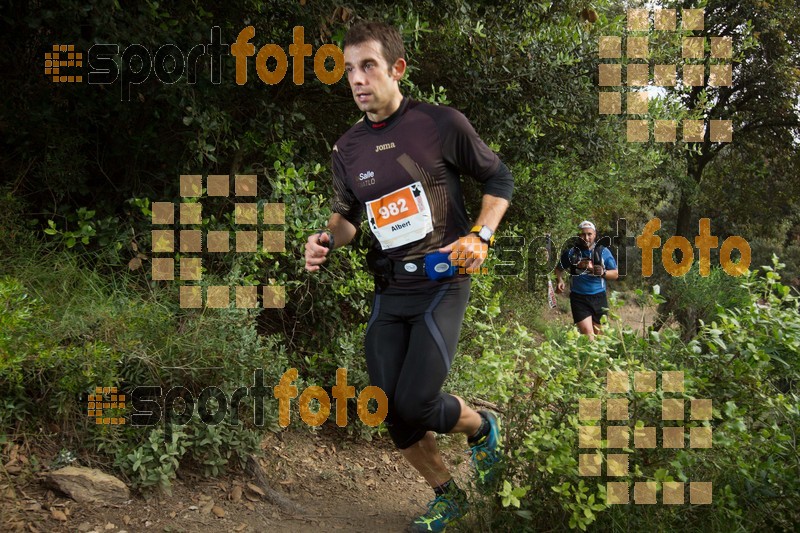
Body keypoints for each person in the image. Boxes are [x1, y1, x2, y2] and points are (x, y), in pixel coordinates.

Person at [303, 21, 514, 532]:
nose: (356, 79)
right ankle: (449, 495)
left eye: (368, 66)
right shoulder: (346, 150)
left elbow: (499, 177)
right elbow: (348, 217)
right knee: (388, 408)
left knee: (416, 401)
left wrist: (480, 236)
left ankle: (483, 427)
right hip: (390, 287)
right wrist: (325, 239)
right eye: (349, 69)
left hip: (443, 279)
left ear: (397, 69)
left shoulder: (439, 124)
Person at [555, 221, 619, 340]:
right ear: (578, 236)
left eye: (589, 234)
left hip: (599, 297)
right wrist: (559, 281)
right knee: (588, 336)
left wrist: (602, 273)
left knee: (600, 338)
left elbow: (615, 274)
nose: (586, 237)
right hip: (578, 298)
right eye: (583, 234)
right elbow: (558, 269)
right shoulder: (571, 253)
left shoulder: (603, 252)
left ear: (595, 235)